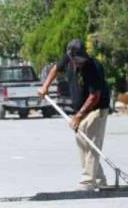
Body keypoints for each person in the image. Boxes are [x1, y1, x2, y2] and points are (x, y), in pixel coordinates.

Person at [39, 39, 111, 190]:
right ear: (70, 57)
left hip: (97, 107)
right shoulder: (67, 58)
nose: (80, 63)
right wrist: (45, 86)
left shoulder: (93, 67)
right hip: (80, 109)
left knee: (91, 140)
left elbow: (94, 96)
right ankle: (99, 178)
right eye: (76, 60)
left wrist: (78, 116)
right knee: (81, 140)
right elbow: (55, 69)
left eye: (81, 59)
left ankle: (87, 181)